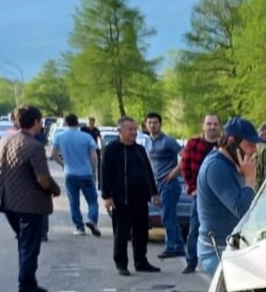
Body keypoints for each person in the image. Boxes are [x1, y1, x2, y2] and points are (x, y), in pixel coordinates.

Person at [0, 105, 59, 292]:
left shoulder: (5, 141)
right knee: (30, 248)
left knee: (24, 244)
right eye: (40, 121)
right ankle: (25, 291)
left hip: (6, 202)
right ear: (36, 122)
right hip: (29, 205)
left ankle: (30, 284)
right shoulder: (33, 146)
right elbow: (43, 178)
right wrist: (55, 189)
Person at [196, 117, 259, 275]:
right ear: (232, 142)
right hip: (216, 253)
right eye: (250, 144)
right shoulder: (216, 167)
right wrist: (250, 178)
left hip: (231, 249)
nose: (254, 150)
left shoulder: (231, 164)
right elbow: (242, 210)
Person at [100, 116, 161, 276]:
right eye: (130, 129)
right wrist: (106, 196)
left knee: (141, 233)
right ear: (120, 131)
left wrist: (154, 192)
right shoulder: (111, 150)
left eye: (135, 129)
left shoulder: (139, 150)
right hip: (121, 200)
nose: (134, 132)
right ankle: (121, 263)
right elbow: (104, 174)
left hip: (141, 199)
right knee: (121, 233)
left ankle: (141, 261)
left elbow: (148, 172)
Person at [180, 114, 220, 274]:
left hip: (220, 195)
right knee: (195, 228)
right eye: (209, 124)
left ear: (219, 127)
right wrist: (192, 187)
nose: (212, 127)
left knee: (222, 229)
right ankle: (191, 262)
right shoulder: (193, 144)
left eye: (215, 124)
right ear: (203, 126)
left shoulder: (225, 145)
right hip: (200, 195)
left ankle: (219, 260)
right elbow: (185, 167)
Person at [50, 114, 101, 237]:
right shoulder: (86, 136)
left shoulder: (59, 137)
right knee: (93, 200)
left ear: (65, 123)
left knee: (74, 201)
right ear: (78, 123)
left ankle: (79, 227)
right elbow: (94, 157)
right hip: (86, 174)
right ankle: (92, 219)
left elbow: (53, 154)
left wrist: (63, 164)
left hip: (70, 174)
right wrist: (94, 172)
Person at [141, 112, 184, 258]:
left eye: (155, 122)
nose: (152, 125)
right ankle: (179, 246)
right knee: (170, 215)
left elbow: (186, 156)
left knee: (166, 216)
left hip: (169, 184)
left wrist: (174, 172)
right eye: (150, 122)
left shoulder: (168, 141)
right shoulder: (147, 141)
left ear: (160, 124)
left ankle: (170, 247)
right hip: (156, 183)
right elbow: (149, 161)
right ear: (146, 124)